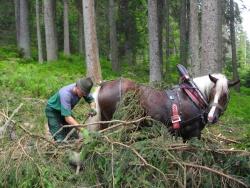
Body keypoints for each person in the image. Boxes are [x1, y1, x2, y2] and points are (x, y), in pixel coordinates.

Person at [45, 77, 97, 142]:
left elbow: (91, 100)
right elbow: (68, 118)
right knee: (60, 138)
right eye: (82, 92)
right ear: (77, 87)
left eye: (85, 93)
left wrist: (93, 108)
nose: (84, 95)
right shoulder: (66, 94)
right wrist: (83, 129)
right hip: (53, 111)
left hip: (65, 110)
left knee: (74, 136)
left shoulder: (83, 89)